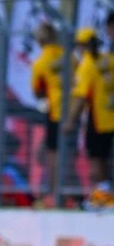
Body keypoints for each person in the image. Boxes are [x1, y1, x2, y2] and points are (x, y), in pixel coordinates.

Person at [63, 27, 114, 205]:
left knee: (95, 161)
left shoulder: (87, 65)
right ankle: (106, 196)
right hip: (110, 117)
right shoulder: (109, 60)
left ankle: (102, 199)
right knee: (104, 160)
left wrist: (70, 121)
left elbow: (81, 97)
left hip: (97, 119)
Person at [30, 22, 65, 199]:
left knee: (53, 153)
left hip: (55, 111)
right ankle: (68, 193)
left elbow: (36, 91)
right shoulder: (68, 55)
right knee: (69, 153)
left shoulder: (40, 62)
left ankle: (55, 193)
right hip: (75, 110)